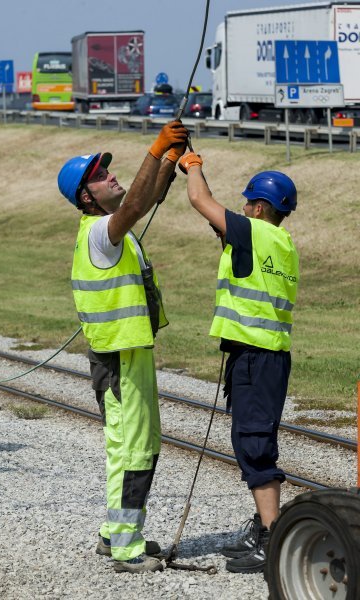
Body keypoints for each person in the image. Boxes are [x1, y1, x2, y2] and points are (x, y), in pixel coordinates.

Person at [57, 121, 188, 574]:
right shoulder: (99, 231)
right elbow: (135, 203)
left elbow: (144, 198)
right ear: (86, 197)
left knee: (133, 445)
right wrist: (155, 150)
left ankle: (114, 533)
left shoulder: (112, 229)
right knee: (133, 449)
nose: (109, 174)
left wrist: (169, 160)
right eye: (99, 174)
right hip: (119, 358)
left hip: (127, 353)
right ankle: (126, 546)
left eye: (107, 168)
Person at [180, 152, 299, 574]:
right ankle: (264, 526)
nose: (242, 207)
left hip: (256, 357)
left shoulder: (255, 233)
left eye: (248, 202)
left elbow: (200, 200)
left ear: (260, 208)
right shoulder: (279, 242)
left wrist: (192, 164)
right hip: (265, 355)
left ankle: (273, 539)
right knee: (254, 439)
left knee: (254, 444)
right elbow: (219, 223)